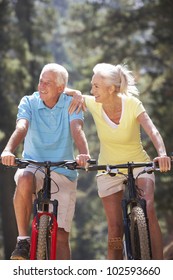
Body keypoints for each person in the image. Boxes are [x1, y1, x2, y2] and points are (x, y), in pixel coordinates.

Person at [67, 63, 171, 260]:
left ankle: (160, 267)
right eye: (91, 86)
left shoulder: (132, 103)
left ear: (111, 88)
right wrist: (76, 92)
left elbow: (152, 130)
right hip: (109, 169)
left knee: (148, 209)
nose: (92, 90)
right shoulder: (94, 103)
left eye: (96, 86)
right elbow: (59, 89)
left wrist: (162, 154)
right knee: (115, 228)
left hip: (139, 165)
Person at [0, 63, 90, 260]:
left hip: (64, 170)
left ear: (60, 88)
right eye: (40, 81)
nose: (41, 86)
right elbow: (22, 127)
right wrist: (8, 149)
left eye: (47, 83)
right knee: (24, 177)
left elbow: (77, 129)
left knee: (62, 237)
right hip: (34, 165)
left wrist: (84, 154)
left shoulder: (71, 103)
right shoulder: (29, 102)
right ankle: (23, 240)